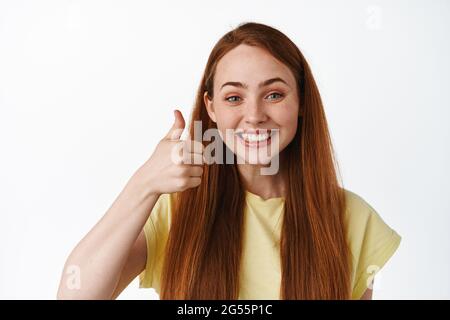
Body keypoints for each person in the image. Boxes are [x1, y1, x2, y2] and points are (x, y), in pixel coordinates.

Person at [57, 22, 401, 300]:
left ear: (302, 102)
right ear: (211, 108)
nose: (253, 116)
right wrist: (144, 184)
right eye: (234, 97)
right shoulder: (175, 209)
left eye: (274, 94)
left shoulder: (354, 219)